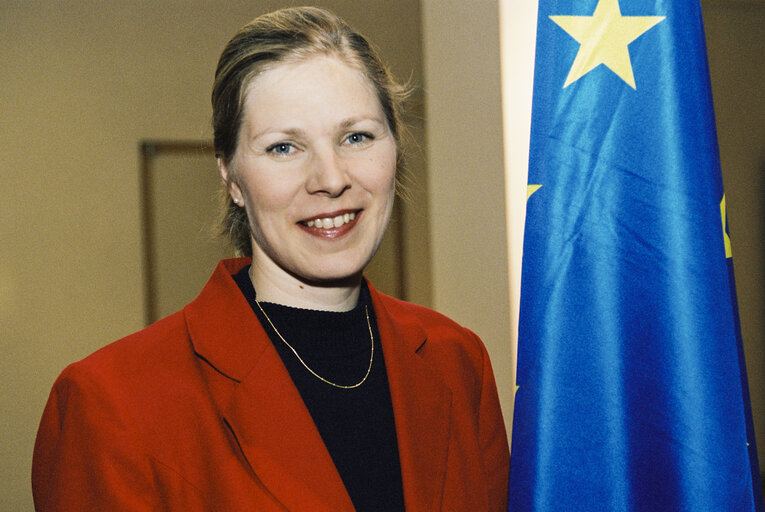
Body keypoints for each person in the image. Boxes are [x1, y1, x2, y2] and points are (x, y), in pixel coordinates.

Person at [32, 7, 509, 511]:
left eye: (357, 137)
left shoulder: (458, 363)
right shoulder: (112, 403)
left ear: (395, 146)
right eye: (284, 147)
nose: (330, 177)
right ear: (231, 177)